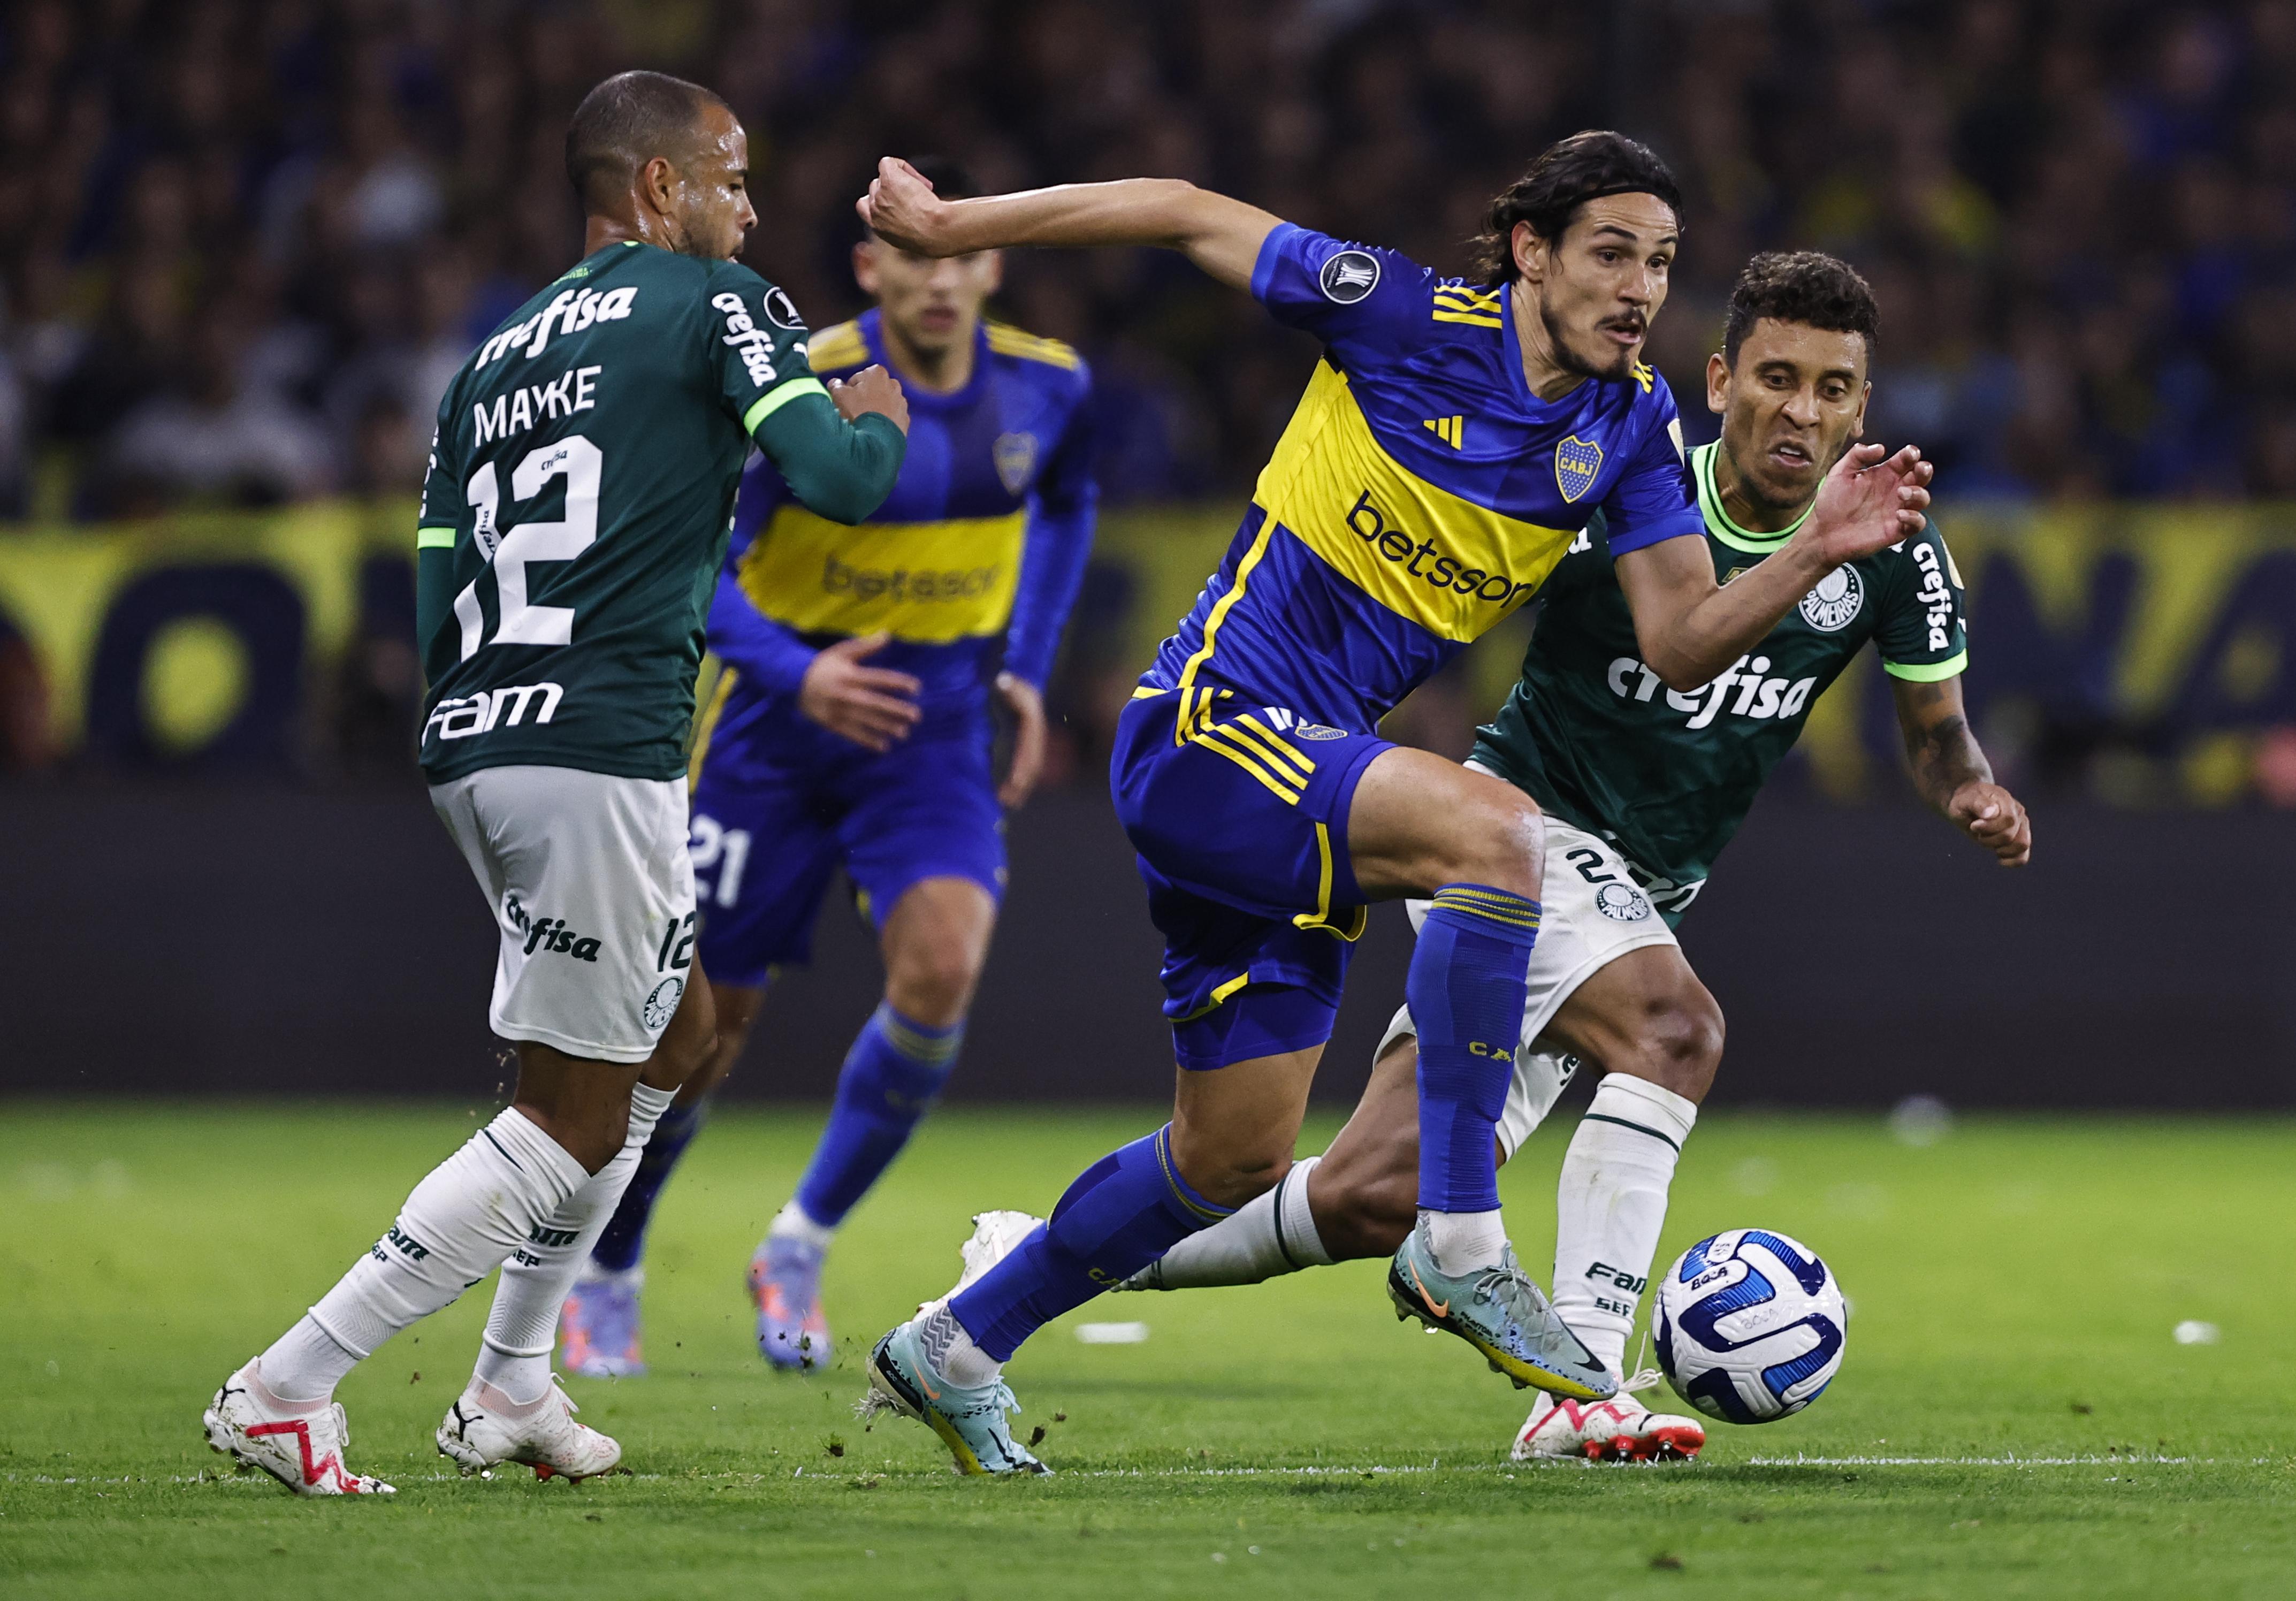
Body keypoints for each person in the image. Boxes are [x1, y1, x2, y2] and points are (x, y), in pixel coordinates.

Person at [849, 137, 1933, 1474]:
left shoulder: (1630, 425)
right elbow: (1185, 208)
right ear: (1532, 251)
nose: (1640, 287)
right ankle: (1464, 1237)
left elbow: (1682, 639)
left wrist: (1822, 544)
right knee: (1497, 831)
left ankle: (956, 1343)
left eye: (1658, 262)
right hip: (1209, 724)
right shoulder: (1401, 314)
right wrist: (957, 226)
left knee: (1231, 1157)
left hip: (1297, 791)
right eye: (1610, 253)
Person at [1101, 251, 2032, 1465]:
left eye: (1833, 388)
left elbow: (1936, 733)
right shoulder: (1626, 491)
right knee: (1674, 1030)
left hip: (1641, 893)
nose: (1800, 410)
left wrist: (1972, 790)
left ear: (1864, 407)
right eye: (1777, 377)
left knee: (1374, 1189)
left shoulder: (1893, 548)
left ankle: (1059, 1253)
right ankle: (1580, 1381)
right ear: (1720, 381)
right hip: (1514, 841)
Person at [200, 71, 907, 1496]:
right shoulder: (719, 303)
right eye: (731, 177)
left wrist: (483, 727)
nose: (750, 208)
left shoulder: (489, 358)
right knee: (573, 1114)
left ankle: (512, 1384)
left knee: (682, 1031)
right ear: (657, 189)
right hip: (599, 745)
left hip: (477, 738)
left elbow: (434, 583)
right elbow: (835, 477)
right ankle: (290, 1382)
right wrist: (878, 409)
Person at [560, 158, 1099, 1378]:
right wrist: (800, 673)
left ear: (991, 262)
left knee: (944, 968)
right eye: (915, 258)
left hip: (936, 729)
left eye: (961, 255)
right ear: (872, 267)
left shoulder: (1050, 389)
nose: (941, 281)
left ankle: (799, 1239)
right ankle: (610, 1260)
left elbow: (1068, 504)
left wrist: (1025, 663)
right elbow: (690, 562)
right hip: (775, 733)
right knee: (702, 1026)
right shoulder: (796, 381)